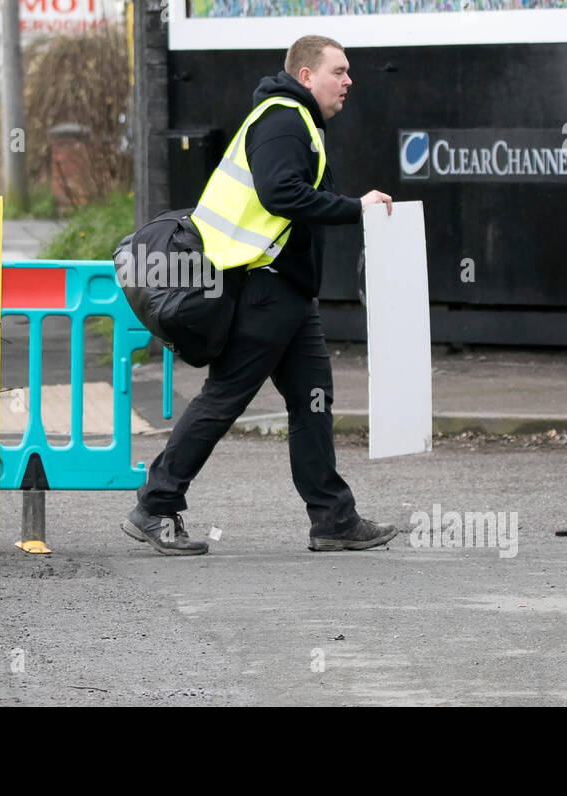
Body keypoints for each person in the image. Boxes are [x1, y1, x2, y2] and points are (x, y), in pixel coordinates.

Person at [122, 35, 396, 556]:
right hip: (266, 291)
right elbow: (280, 194)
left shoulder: (297, 122)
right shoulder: (283, 120)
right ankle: (155, 504)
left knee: (312, 403)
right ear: (306, 75)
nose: (348, 81)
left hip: (289, 294)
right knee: (225, 398)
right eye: (338, 71)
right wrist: (353, 207)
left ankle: (333, 520)